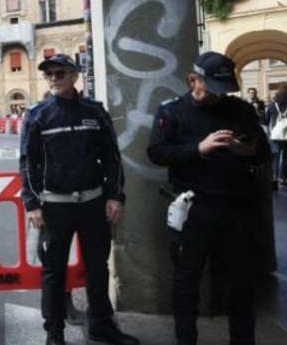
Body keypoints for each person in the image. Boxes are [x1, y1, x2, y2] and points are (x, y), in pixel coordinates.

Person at [147, 51, 271, 345]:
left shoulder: (240, 110)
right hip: (194, 209)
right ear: (193, 81)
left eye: (223, 91)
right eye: (212, 90)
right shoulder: (172, 111)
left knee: (241, 285)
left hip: (237, 208)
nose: (218, 97)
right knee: (187, 282)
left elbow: (263, 151)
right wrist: (198, 148)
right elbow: (157, 153)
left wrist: (247, 151)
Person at [20, 54, 138, 345]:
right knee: (53, 272)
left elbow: (112, 157)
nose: (53, 79)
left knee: (98, 268)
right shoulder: (37, 114)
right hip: (55, 207)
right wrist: (32, 203)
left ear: (74, 76)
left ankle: (101, 326)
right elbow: (27, 162)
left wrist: (115, 196)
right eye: (48, 75)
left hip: (93, 204)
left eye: (60, 73)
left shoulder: (95, 112)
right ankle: (54, 332)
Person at [265, 83, 287, 188]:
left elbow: (266, 120)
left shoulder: (272, 106)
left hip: (275, 135)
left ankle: (274, 178)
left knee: (276, 157)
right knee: (286, 157)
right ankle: (283, 178)